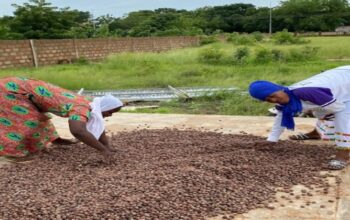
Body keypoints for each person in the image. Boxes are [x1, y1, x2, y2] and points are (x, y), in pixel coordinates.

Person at [248, 65, 350, 170]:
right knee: (320, 109)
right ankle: (317, 133)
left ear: (279, 88)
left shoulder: (307, 92)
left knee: (342, 117)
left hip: (346, 78)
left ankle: (344, 153)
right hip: (340, 81)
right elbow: (280, 119)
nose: (273, 100)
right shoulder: (287, 99)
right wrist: (271, 140)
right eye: (267, 100)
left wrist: (313, 111)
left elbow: (339, 108)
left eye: (272, 95)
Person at [0, 77, 123, 162]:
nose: (110, 115)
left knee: (38, 120)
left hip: (22, 89)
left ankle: (51, 142)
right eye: (110, 111)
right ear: (104, 107)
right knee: (25, 122)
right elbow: (77, 131)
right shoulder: (82, 108)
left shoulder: (93, 106)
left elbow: (98, 125)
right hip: (11, 91)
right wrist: (102, 150)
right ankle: (12, 154)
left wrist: (107, 146)